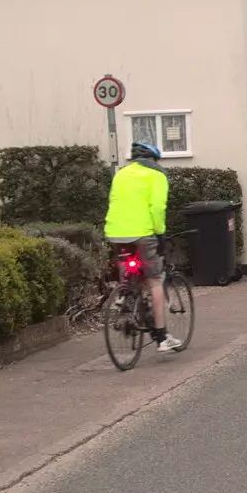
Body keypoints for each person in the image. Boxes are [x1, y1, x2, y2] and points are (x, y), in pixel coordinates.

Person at [104, 140, 184, 352]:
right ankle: (162, 336)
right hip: (142, 232)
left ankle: (124, 297)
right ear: (154, 159)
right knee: (154, 280)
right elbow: (157, 207)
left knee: (129, 271)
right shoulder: (157, 175)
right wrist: (160, 234)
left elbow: (114, 201)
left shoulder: (120, 174)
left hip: (115, 232)